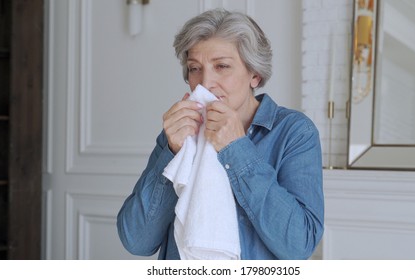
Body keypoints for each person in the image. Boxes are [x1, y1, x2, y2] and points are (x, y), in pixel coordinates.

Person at [117, 8, 324, 260]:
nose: (205, 83)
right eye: (195, 68)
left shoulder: (294, 132)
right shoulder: (182, 131)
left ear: (255, 75)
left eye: (222, 66)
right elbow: (136, 241)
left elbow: (299, 245)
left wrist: (237, 149)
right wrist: (172, 152)